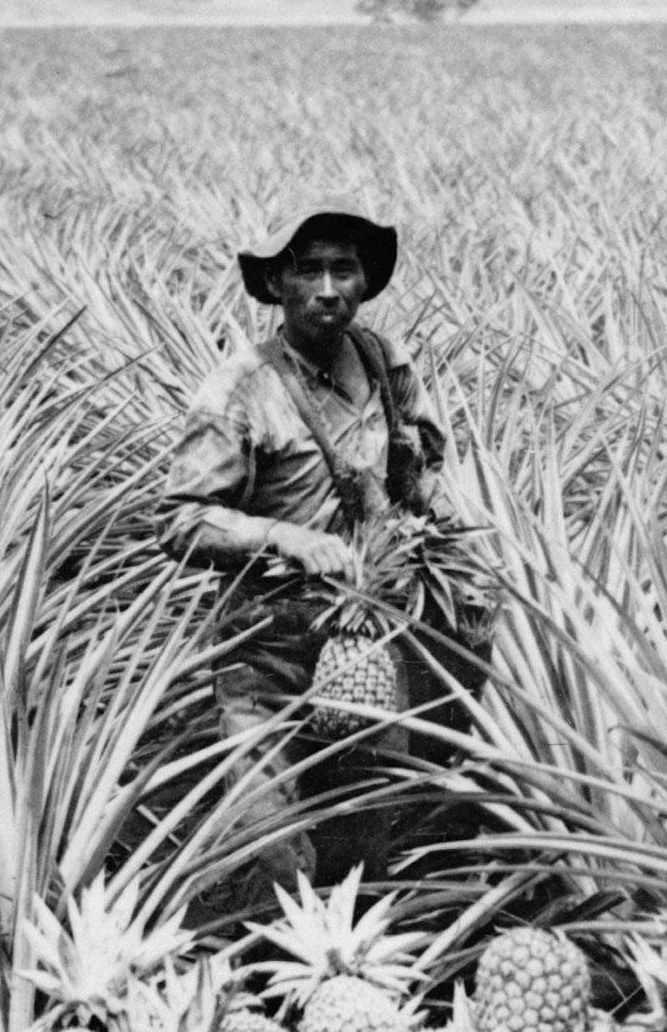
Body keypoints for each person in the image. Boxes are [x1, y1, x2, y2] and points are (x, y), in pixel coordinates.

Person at [162, 208, 456, 902]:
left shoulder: (387, 362)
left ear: (365, 282)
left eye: (345, 269)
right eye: (309, 270)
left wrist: (425, 512)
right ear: (277, 283)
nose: (329, 288)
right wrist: (280, 536)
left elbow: (425, 466)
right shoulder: (238, 390)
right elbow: (177, 519)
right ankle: (267, 980)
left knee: (366, 827)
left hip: (367, 638)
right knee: (270, 839)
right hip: (269, 645)